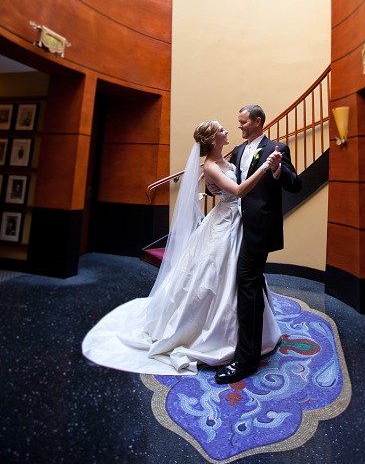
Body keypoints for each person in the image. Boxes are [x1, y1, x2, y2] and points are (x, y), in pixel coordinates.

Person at [81, 120, 282, 376]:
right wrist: (265, 166)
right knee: (214, 275)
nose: (227, 131)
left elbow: (227, 183)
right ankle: (214, 335)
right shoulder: (210, 165)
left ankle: (249, 334)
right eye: (222, 130)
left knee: (243, 278)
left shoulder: (222, 161)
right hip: (224, 223)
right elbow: (240, 190)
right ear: (212, 140)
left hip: (236, 221)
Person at [212, 104, 302, 384]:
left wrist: (276, 171)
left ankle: (247, 359)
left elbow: (295, 183)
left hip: (259, 229)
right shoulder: (238, 151)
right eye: (238, 122)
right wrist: (211, 184)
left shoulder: (277, 149)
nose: (239, 127)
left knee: (247, 283)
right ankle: (263, 336)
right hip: (235, 226)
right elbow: (230, 184)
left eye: (243, 122)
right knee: (249, 283)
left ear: (257, 122)